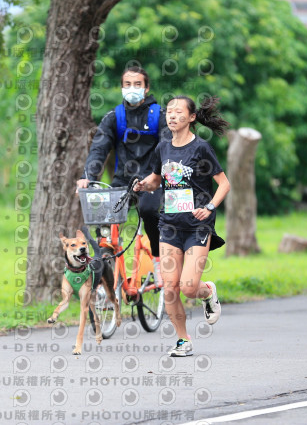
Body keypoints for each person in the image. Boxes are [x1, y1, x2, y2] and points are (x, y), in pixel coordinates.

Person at [134, 95, 230, 357]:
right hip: (170, 226)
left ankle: (207, 291)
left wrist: (209, 207)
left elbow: (224, 184)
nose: (172, 116)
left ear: (191, 117)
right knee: (170, 287)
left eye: (179, 112)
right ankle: (183, 340)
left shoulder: (201, 148)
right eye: (170, 112)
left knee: (189, 287)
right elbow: (156, 180)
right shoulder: (163, 147)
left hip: (198, 226)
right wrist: (143, 185)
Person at [76, 66, 170, 279]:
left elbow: (168, 148)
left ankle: (157, 258)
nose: (132, 88)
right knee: (105, 223)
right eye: (127, 84)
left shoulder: (159, 116)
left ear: (146, 89)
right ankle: (105, 277)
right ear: (121, 88)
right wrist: (87, 177)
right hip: (123, 182)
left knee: (148, 211)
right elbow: (99, 148)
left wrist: (156, 177)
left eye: (138, 84)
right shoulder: (114, 117)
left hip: (151, 180)